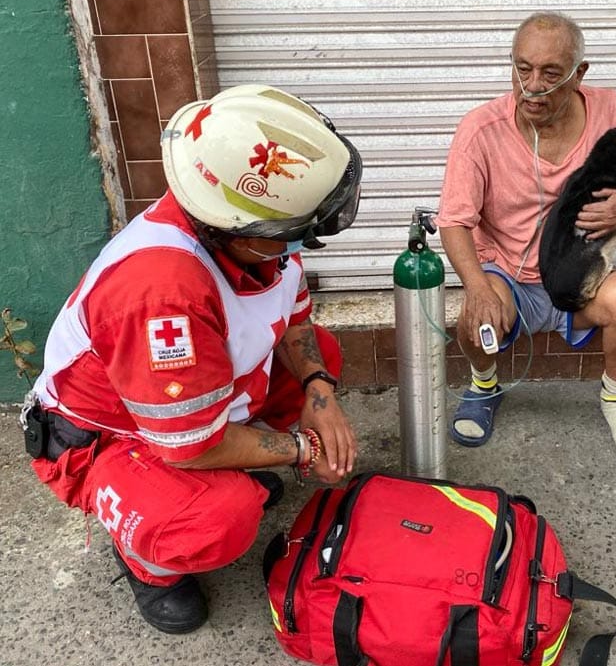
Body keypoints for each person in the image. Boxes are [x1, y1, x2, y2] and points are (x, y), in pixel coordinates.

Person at [22, 85, 362, 633]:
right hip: (110, 438)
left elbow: (296, 316)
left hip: (183, 401)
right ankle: (146, 561)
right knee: (218, 518)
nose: (300, 247)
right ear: (239, 227)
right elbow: (190, 445)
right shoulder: (163, 295)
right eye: (297, 233)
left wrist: (320, 391)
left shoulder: (248, 239)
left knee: (324, 350)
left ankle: (236, 467)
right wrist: (303, 449)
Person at [437, 12, 616, 457]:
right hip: (508, 272)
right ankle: (484, 386)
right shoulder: (480, 128)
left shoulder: (612, 112)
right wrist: (476, 286)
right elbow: (454, 219)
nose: (533, 85)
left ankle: (614, 399)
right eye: (522, 68)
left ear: (579, 75)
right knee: (474, 318)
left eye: (551, 73)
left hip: (580, 271)